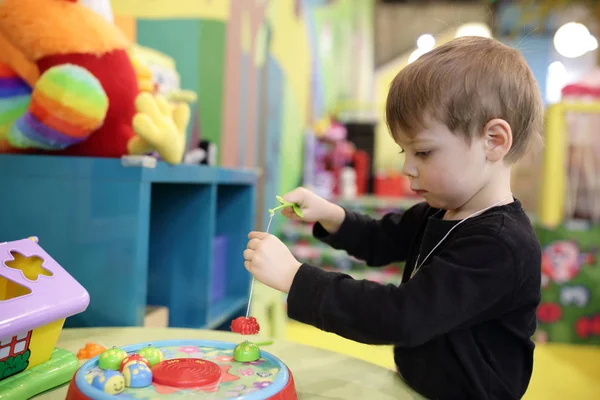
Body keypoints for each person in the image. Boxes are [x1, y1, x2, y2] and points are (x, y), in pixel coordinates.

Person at [243, 36, 543, 400]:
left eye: (424, 152)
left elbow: (401, 316)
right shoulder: (442, 210)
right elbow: (381, 239)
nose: (407, 168)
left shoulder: (499, 246)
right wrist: (332, 215)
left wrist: (295, 278)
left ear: (494, 140)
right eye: (405, 152)